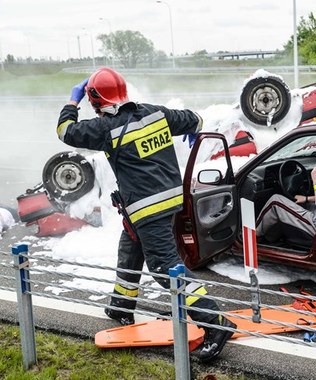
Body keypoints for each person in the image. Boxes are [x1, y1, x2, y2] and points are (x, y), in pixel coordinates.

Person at [56, 67, 235, 363]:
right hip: (167, 203)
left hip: (147, 208)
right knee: (130, 246)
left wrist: (72, 102)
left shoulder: (105, 129)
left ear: (97, 102)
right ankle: (121, 305)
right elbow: (196, 119)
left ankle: (215, 323)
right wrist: (192, 130)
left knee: (166, 268)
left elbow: (66, 132)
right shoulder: (157, 114)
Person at [255, 164, 316, 244]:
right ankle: (269, 239)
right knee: (294, 205)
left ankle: (252, 236)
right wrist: (306, 198)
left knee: (276, 202)